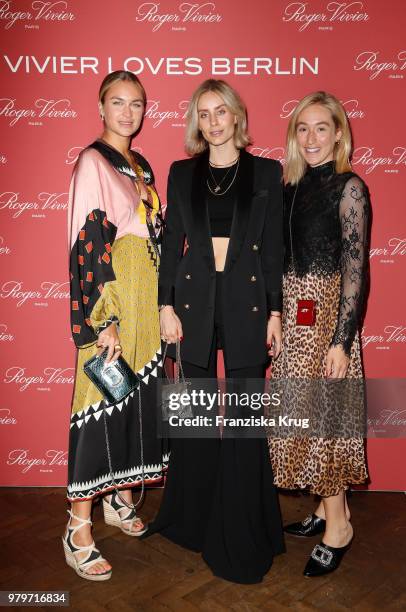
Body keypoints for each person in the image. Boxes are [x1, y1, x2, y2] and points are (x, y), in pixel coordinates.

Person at [143, 79, 285, 584]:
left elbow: (272, 251)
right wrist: (165, 305)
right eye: (203, 114)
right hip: (193, 301)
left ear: (236, 116)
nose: (213, 121)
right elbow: (171, 245)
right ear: (196, 122)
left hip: (247, 303)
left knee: (247, 420)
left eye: (220, 111)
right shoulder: (181, 174)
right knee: (196, 419)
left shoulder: (267, 172)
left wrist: (275, 312)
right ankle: (193, 520)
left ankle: (247, 528)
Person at [64, 71, 168, 580]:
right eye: (118, 103)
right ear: (101, 107)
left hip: (147, 306)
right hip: (113, 306)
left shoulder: (142, 166)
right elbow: (88, 245)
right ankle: (77, 526)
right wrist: (101, 321)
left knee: (132, 403)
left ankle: (120, 500)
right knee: (97, 404)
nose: (129, 113)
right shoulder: (91, 162)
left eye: (137, 104)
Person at [268, 91, 369, 577]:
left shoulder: (349, 188)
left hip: (327, 314)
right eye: (302, 128)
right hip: (292, 310)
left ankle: (339, 529)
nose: (311, 138)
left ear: (338, 133)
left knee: (324, 421)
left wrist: (341, 342)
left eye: (321, 128)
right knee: (301, 416)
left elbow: (355, 272)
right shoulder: (289, 186)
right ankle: (330, 508)